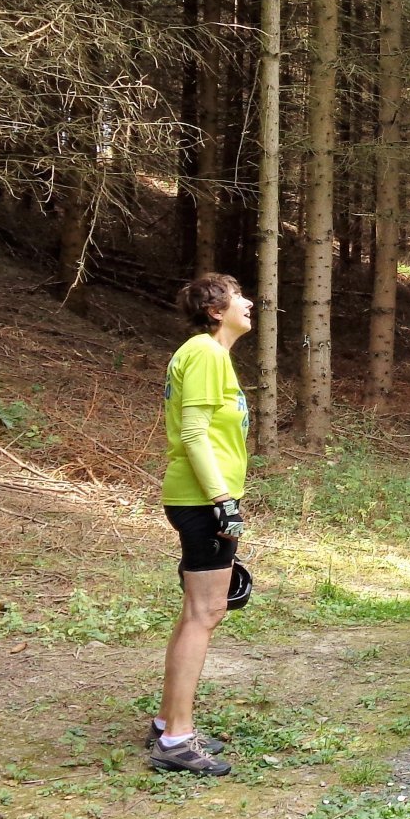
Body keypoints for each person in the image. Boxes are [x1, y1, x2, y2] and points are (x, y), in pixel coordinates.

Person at [149, 271, 254, 776]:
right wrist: (223, 501)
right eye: (238, 298)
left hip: (196, 497)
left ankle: (170, 719)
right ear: (216, 311)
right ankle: (176, 740)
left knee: (196, 610)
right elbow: (193, 433)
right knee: (205, 613)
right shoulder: (207, 354)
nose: (248, 303)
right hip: (202, 499)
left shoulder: (203, 353)